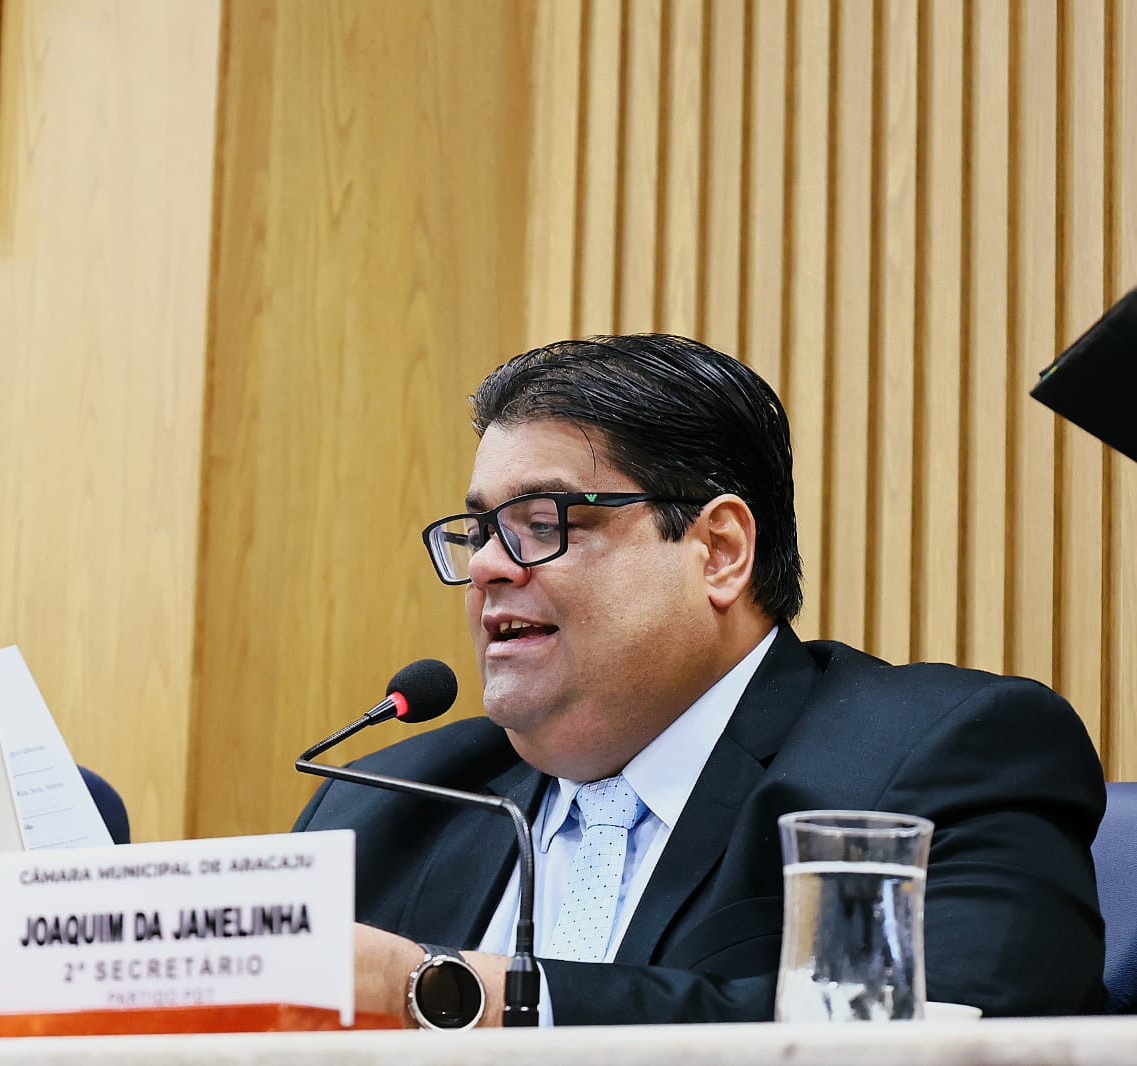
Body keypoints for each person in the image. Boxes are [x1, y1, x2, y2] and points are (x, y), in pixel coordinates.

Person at [295, 334, 1106, 1026]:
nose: (485, 567)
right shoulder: (383, 804)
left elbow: (959, 1027)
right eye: (478, 531)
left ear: (718, 551)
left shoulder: (940, 757)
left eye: (541, 524)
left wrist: (459, 993)